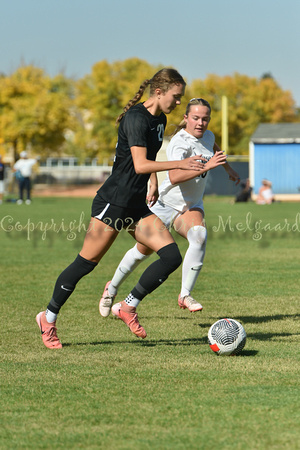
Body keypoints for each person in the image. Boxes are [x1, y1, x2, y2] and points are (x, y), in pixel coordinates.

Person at [36, 68, 207, 349]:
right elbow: (139, 164)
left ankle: (127, 306)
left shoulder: (159, 119)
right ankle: (48, 317)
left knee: (171, 256)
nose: (179, 103)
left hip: (137, 204)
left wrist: (152, 181)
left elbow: (147, 160)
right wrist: (178, 164)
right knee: (84, 264)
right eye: (176, 97)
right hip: (114, 203)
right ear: (159, 92)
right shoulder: (136, 118)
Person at [99, 98, 240, 318]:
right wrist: (209, 165)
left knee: (199, 235)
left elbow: (213, 147)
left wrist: (228, 168)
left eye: (205, 119)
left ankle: (185, 294)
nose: (200, 123)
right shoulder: (179, 142)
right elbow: (174, 177)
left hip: (190, 206)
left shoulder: (209, 135)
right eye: (195, 118)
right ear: (186, 118)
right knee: (141, 252)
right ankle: (112, 288)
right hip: (166, 204)